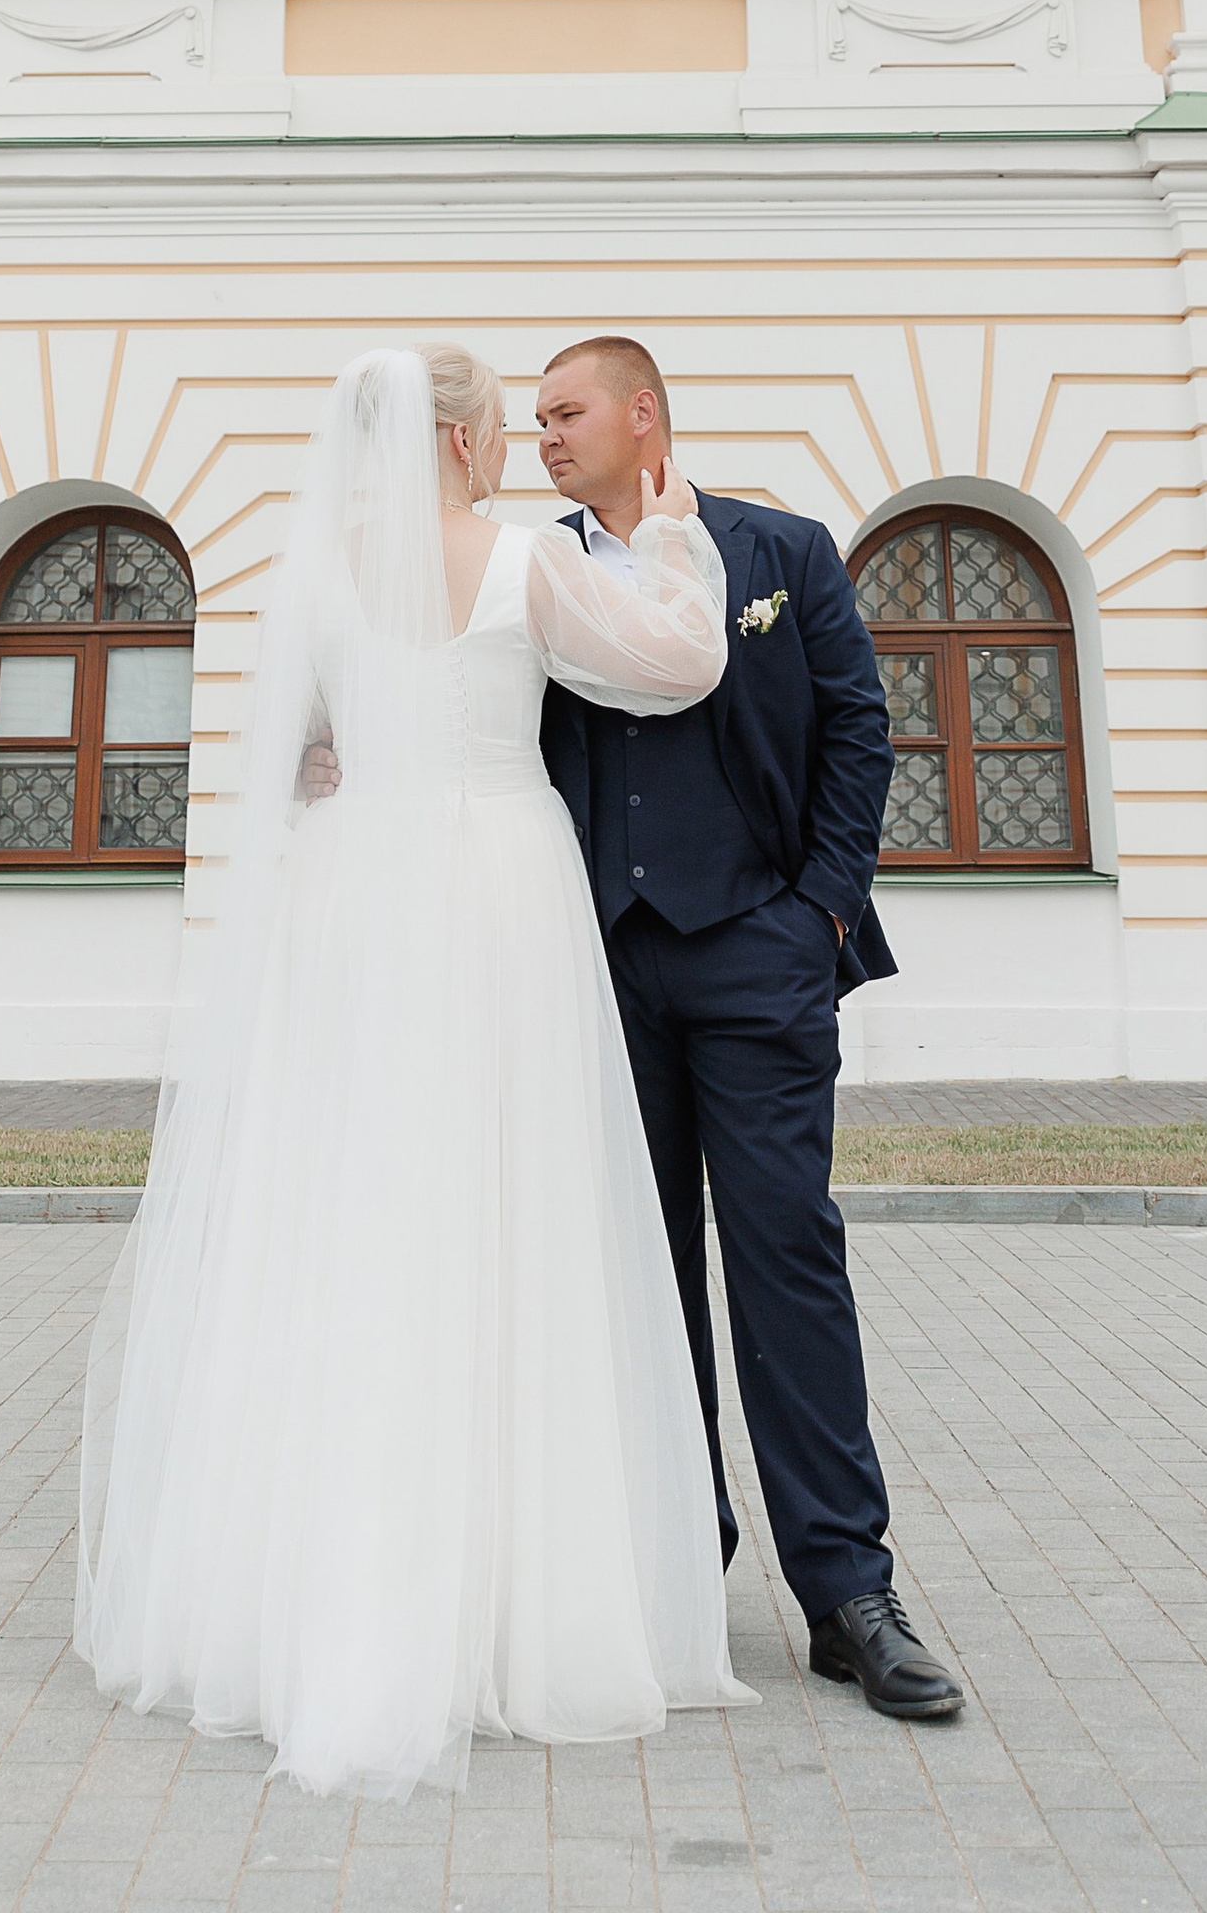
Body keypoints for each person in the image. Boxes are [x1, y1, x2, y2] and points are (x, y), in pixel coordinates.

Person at [76, 345, 754, 1799]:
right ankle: (513, 1601)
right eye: (503, 428)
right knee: (503, 1220)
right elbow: (682, 660)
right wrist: (672, 528)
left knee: (340, 1217)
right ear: (454, 441)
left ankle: (307, 1593)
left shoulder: (310, 579)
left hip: (352, 897)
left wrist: (336, 766)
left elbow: (292, 759)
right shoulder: (518, 565)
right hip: (499, 892)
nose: (514, 450)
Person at [533, 335, 964, 1725]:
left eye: (566, 411)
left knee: (786, 1256)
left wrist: (821, 915)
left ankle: (848, 1590)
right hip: (604, 966)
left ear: (642, 414)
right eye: (533, 418)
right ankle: (673, 1565)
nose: (542, 435)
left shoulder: (781, 550)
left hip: (759, 957)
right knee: (639, 1280)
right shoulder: (526, 570)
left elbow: (859, 732)